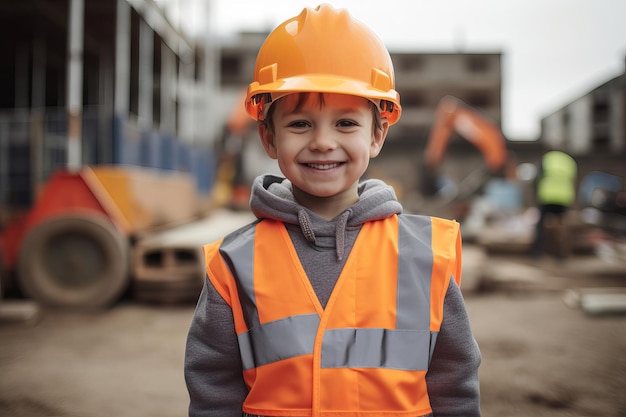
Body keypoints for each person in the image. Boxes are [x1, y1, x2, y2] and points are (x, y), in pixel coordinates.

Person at [184, 4, 481, 416]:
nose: (323, 142)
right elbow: (214, 388)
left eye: (345, 124)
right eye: (300, 124)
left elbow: (455, 383)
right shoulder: (234, 263)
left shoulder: (426, 254)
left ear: (377, 135)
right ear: (268, 138)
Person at [530, 149, 578, 259]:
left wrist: (536, 196)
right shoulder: (569, 161)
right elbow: (573, 180)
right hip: (564, 198)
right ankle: (561, 253)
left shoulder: (547, 158)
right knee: (562, 226)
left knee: (541, 225)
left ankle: (537, 252)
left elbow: (537, 178)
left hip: (547, 196)